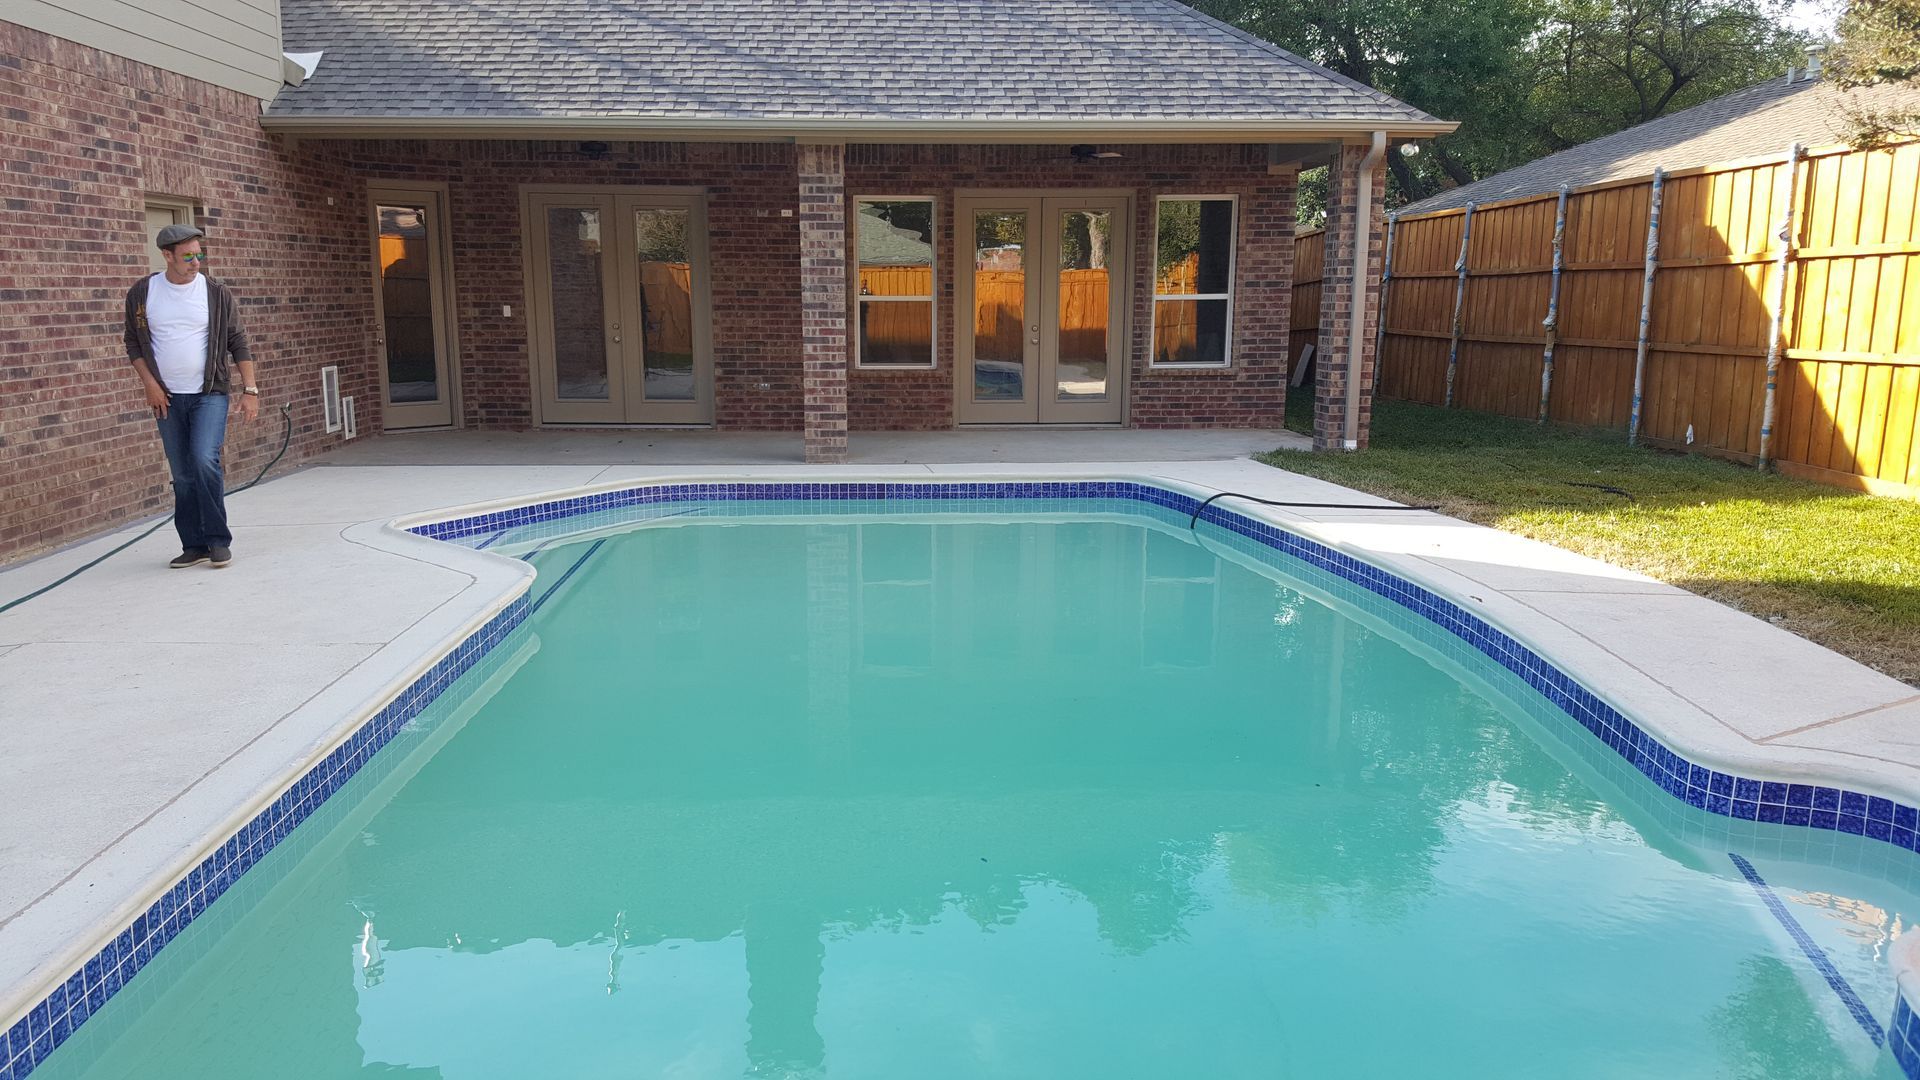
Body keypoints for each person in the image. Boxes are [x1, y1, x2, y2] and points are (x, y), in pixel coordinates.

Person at [123, 224, 259, 569]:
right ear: (166, 256)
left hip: (208, 393)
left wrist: (250, 389)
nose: (196, 262)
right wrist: (149, 383)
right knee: (182, 474)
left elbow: (237, 340)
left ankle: (217, 540)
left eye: (199, 254)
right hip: (167, 398)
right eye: (187, 256)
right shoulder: (142, 293)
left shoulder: (215, 292)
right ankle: (193, 544)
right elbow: (133, 342)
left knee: (203, 459)